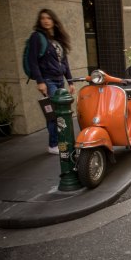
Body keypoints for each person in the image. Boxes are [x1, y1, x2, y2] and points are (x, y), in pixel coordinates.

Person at [27, 9, 76, 155]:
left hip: (59, 79)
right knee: (53, 113)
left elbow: (65, 62)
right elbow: (33, 61)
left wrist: (71, 82)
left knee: (61, 113)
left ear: (54, 21)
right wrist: (40, 81)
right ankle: (53, 144)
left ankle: (61, 142)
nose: (46, 21)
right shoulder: (37, 37)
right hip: (48, 80)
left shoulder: (58, 40)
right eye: (42, 18)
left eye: (48, 18)